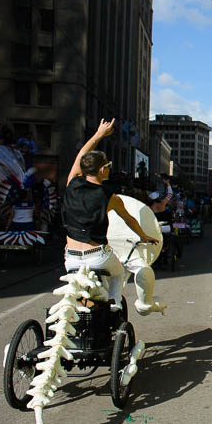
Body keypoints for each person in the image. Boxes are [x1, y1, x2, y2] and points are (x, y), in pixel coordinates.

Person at [62, 118, 158, 309]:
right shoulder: (110, 196)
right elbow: (129, 220)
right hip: (97, 256)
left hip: (70, 258)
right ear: (102, 170)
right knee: (118, 273)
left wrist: (98, 135)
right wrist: (144, 236)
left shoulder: (71, 183)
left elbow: (80, 156)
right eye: (108, 166)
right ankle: (114, 304)